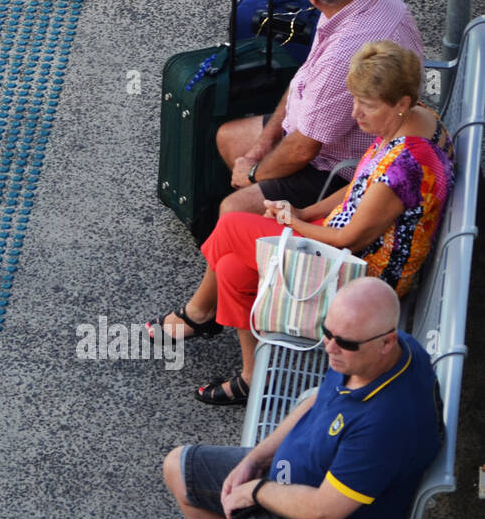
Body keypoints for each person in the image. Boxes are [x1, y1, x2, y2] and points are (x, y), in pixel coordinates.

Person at [146, 40, 453, 404]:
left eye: (367, 105)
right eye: (354, 100)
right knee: (230, 268)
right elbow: (359, 187)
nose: (356, 114)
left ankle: (201, 312)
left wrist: (292, 222)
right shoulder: (419, 121)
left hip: (363, 277)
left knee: (231, 227)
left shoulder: (404, 166)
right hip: (350, 248)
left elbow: (348, 240)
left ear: (402, 103)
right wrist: (304, 213)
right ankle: (250, 376)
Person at [162, 278, 443, 519]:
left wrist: (256, 490)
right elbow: (319, 401)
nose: (329, 347)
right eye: (327, 332)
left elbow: (324, 512)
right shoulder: (368, 351)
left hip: (305, 513)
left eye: (343, 342)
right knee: (177, 466)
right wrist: (254, 459)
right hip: (284, 475)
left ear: (386, 342)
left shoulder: (386, 425)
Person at [216, 0, 423, 219]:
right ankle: (261, 227)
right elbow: (305, 75)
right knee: (229, 138)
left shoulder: (344, 53)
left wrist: (253, 174)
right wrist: (262, 147)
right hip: (315, 136)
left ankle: (271, 241)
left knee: (232, 210)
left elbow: (304, 150)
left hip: (339, 168)